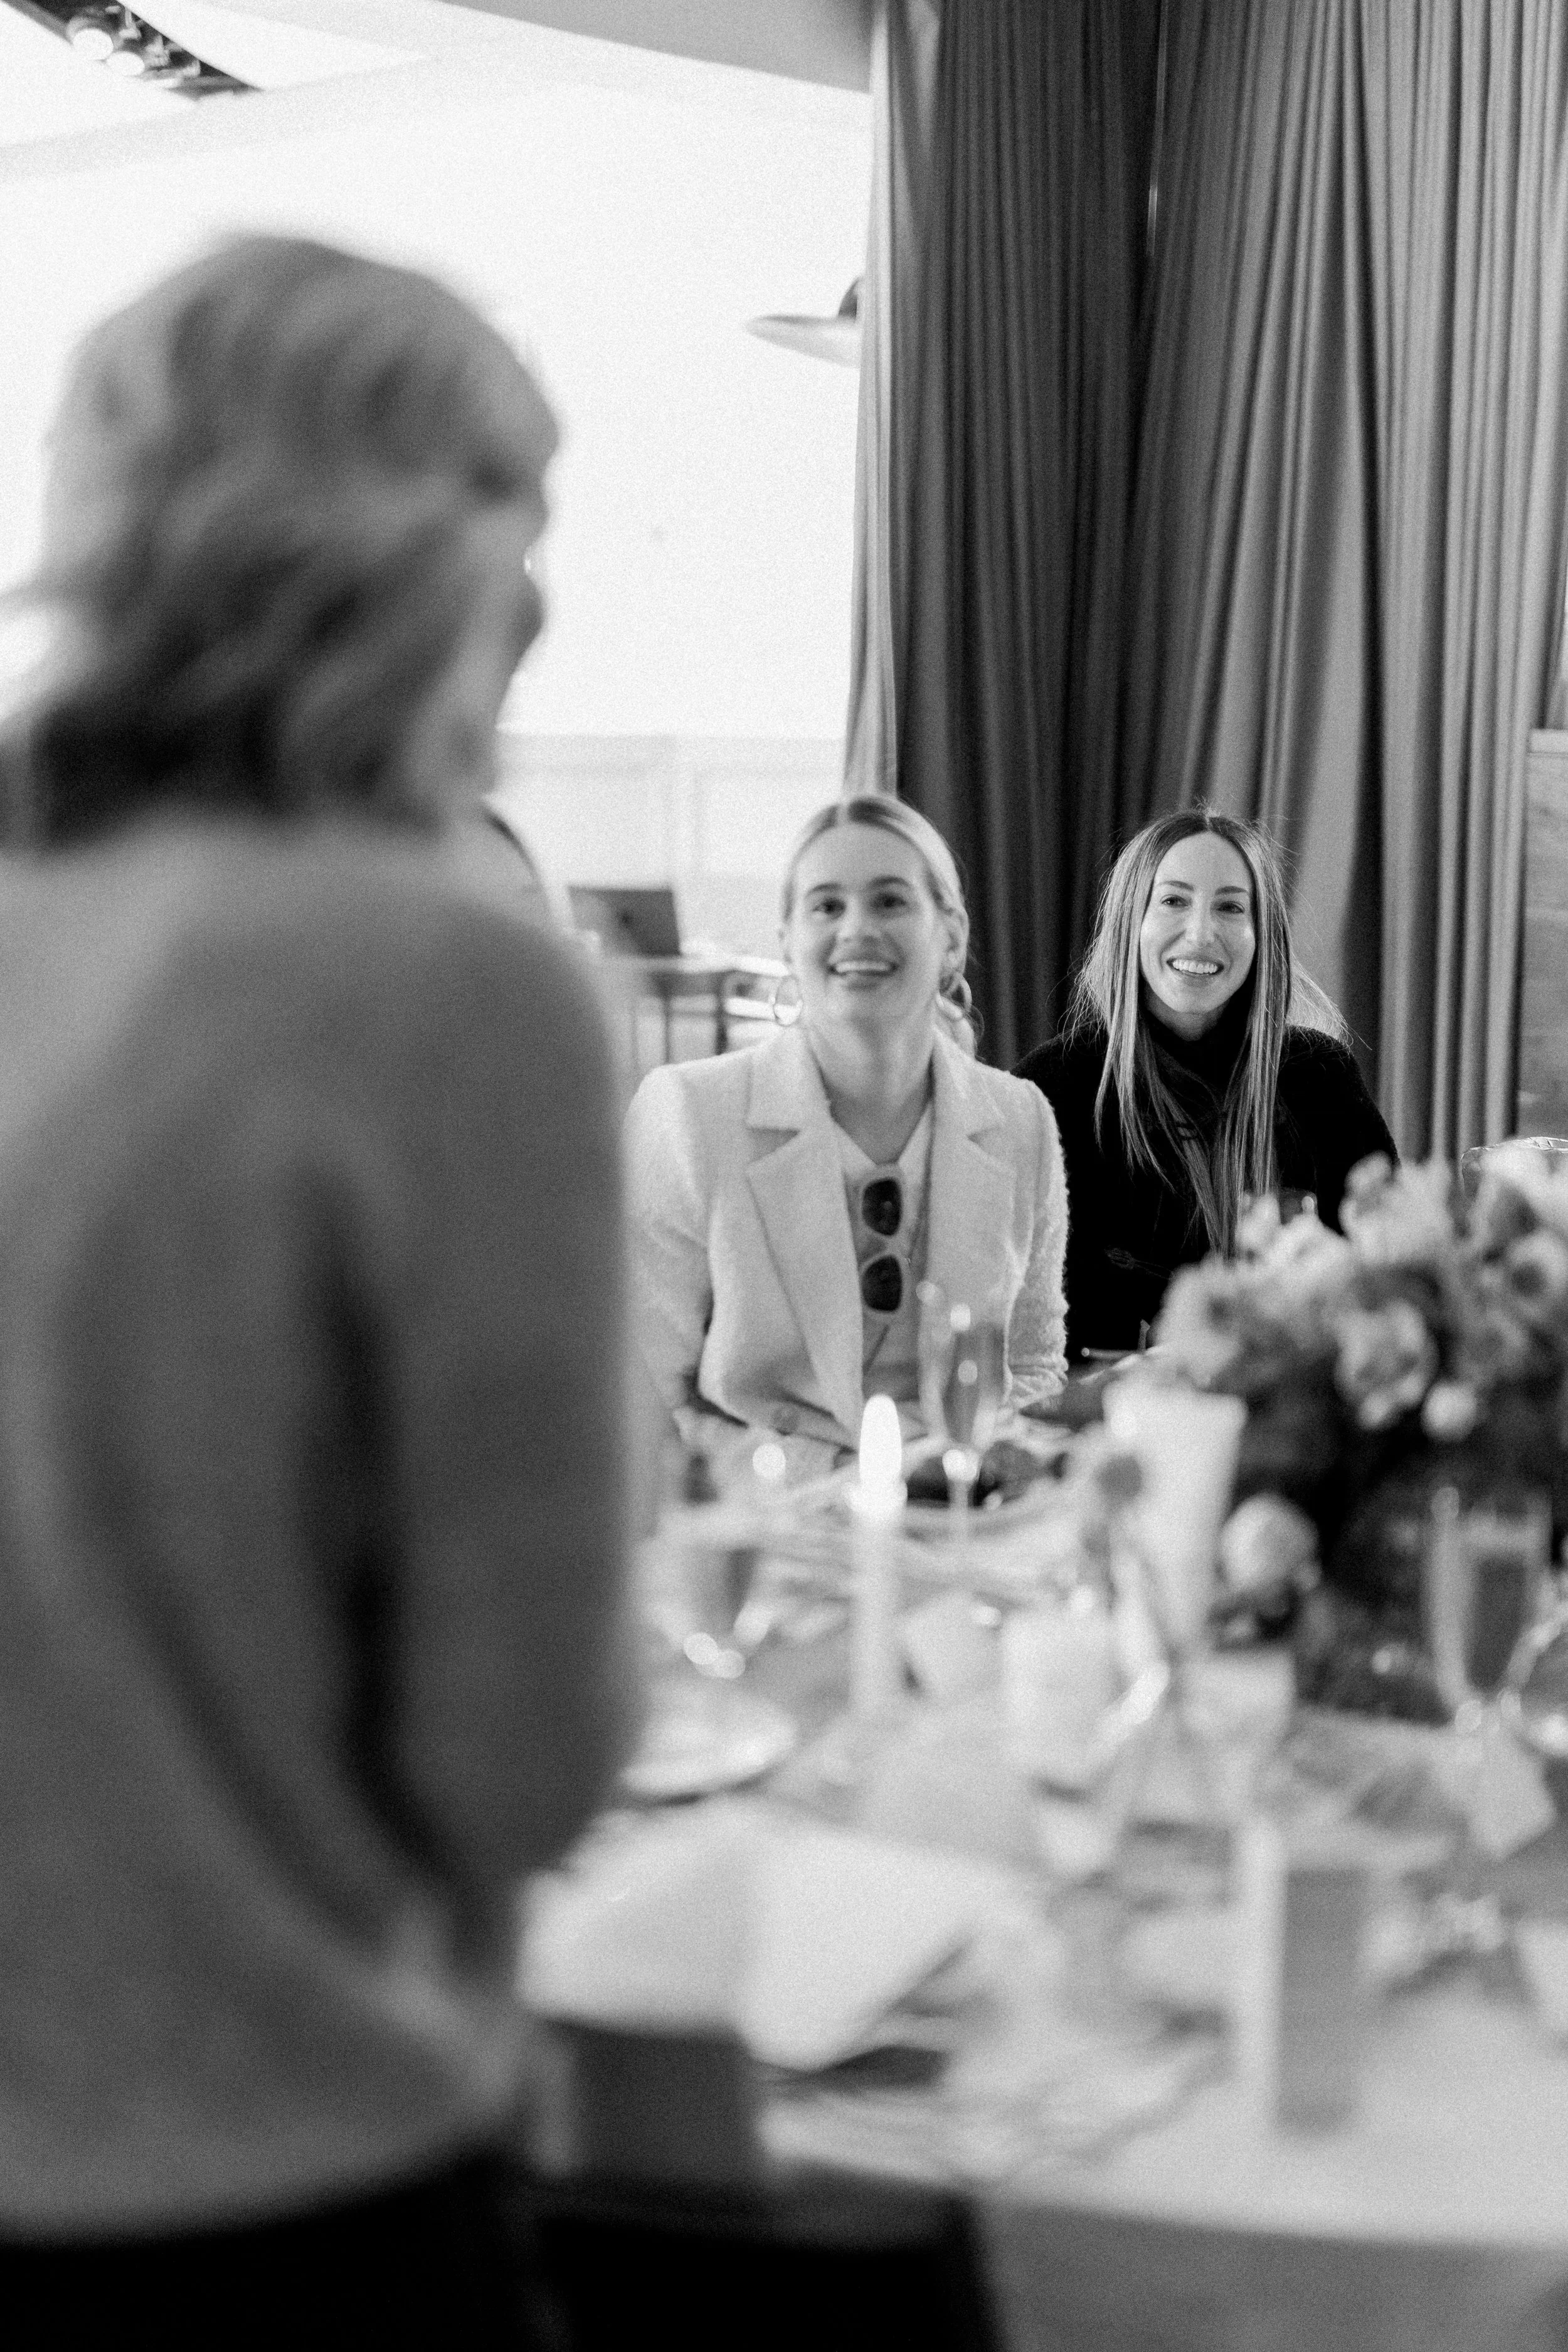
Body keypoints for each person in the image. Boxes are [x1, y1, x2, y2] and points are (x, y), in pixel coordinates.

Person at [0, 235, 635, 2338]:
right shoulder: (450, 989)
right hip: (276, 2206)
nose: (535, 610)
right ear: (384, 561)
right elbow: (518, 1763)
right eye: (507, 523)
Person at [626, 795, 1069, 1485]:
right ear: (787, 941)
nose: (856, 929)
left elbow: (1034, 1367)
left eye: (889, 902)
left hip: (965, 1521)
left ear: (950, 933)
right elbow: (651, 1392)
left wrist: (978, 1480)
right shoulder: (688, 1112)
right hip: (765, 1519)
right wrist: (832, 1486)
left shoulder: (1022, 1121)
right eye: (826, 907)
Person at [1015, 808, 1396, 1360]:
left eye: (1230, 907)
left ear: (1261, 933)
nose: (1201, 933)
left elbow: (1383, 1274)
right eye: (1173, 900)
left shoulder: (1320, 1077)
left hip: (1285, 1409)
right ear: (1131, 920)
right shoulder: (1052, 1090)